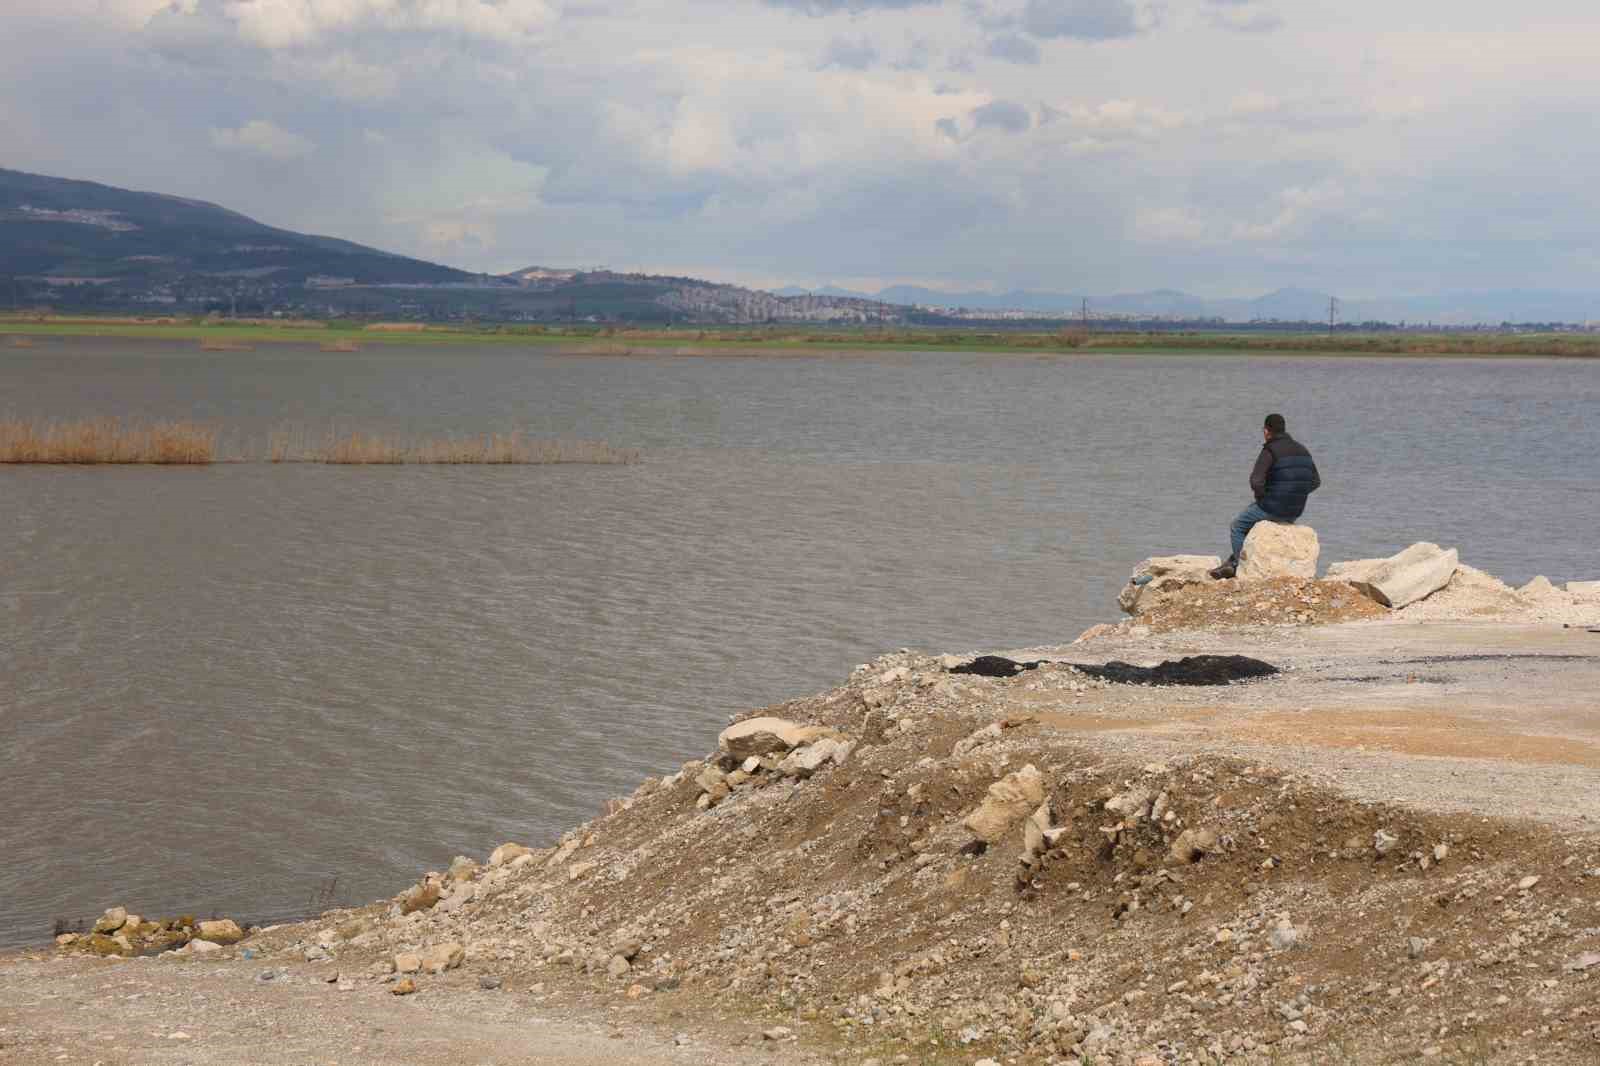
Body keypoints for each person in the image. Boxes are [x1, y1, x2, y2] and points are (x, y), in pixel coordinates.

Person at [1209, 413, 1320, 579]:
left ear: (1267, 431)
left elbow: (1256, 480)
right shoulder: (1302, 450)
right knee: (1252, 524)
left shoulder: (1270, 449)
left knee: (1238, 526)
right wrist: (1295, 494)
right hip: (1294, 510)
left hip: (1272, 507)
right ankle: (1234, 560)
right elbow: (1316, 482)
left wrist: (1262, 499)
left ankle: (1240, 566)